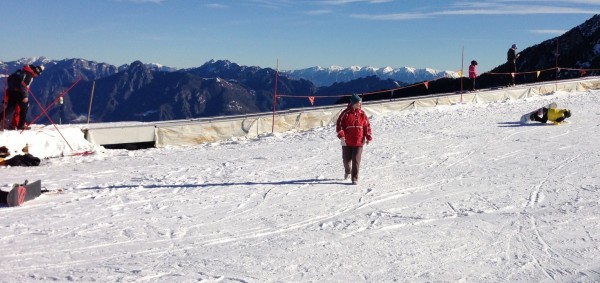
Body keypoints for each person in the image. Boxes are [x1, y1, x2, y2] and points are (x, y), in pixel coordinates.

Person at [336, 93, 373, 185]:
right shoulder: (345, 114)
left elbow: (367, 126)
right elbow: (339, 125)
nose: (360, 104)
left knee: (356, 160)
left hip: (359, 141)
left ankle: (354, 178)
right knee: (346, 160)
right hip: (346, 141)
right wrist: (342, 136)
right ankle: (348, 171)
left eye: (360, 103)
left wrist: (368, 137)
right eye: (358, 103)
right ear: (353, 103)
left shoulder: (362, 114)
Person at [0, 65, 44, 130]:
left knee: (10, 109)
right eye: (37, 74)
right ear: (36, 72)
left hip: (11, 92)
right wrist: (25, 96)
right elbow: (23, 85)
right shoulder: (29, 75)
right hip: (19, 93)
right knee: (24, 107)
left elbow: (10, 79)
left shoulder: (21, 71)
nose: (36, 76)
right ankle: (21, 125)